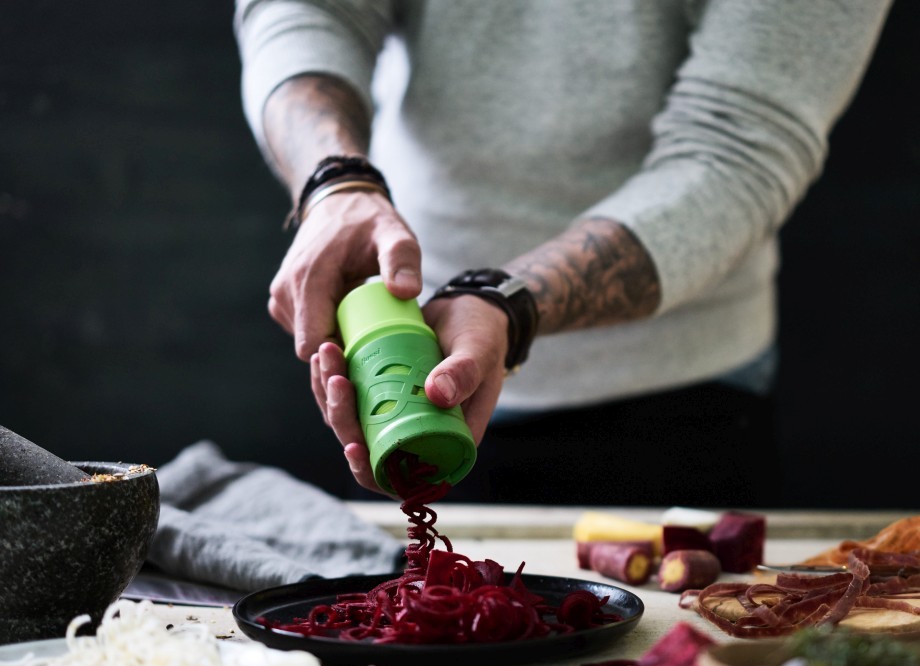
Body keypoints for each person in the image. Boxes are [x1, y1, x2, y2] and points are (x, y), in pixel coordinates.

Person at [234, 0, 891, 506]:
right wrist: (335, 181)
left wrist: (509, 302)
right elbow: (311, 9)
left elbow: (739, 147)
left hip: (684, 386)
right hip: (415, 368)